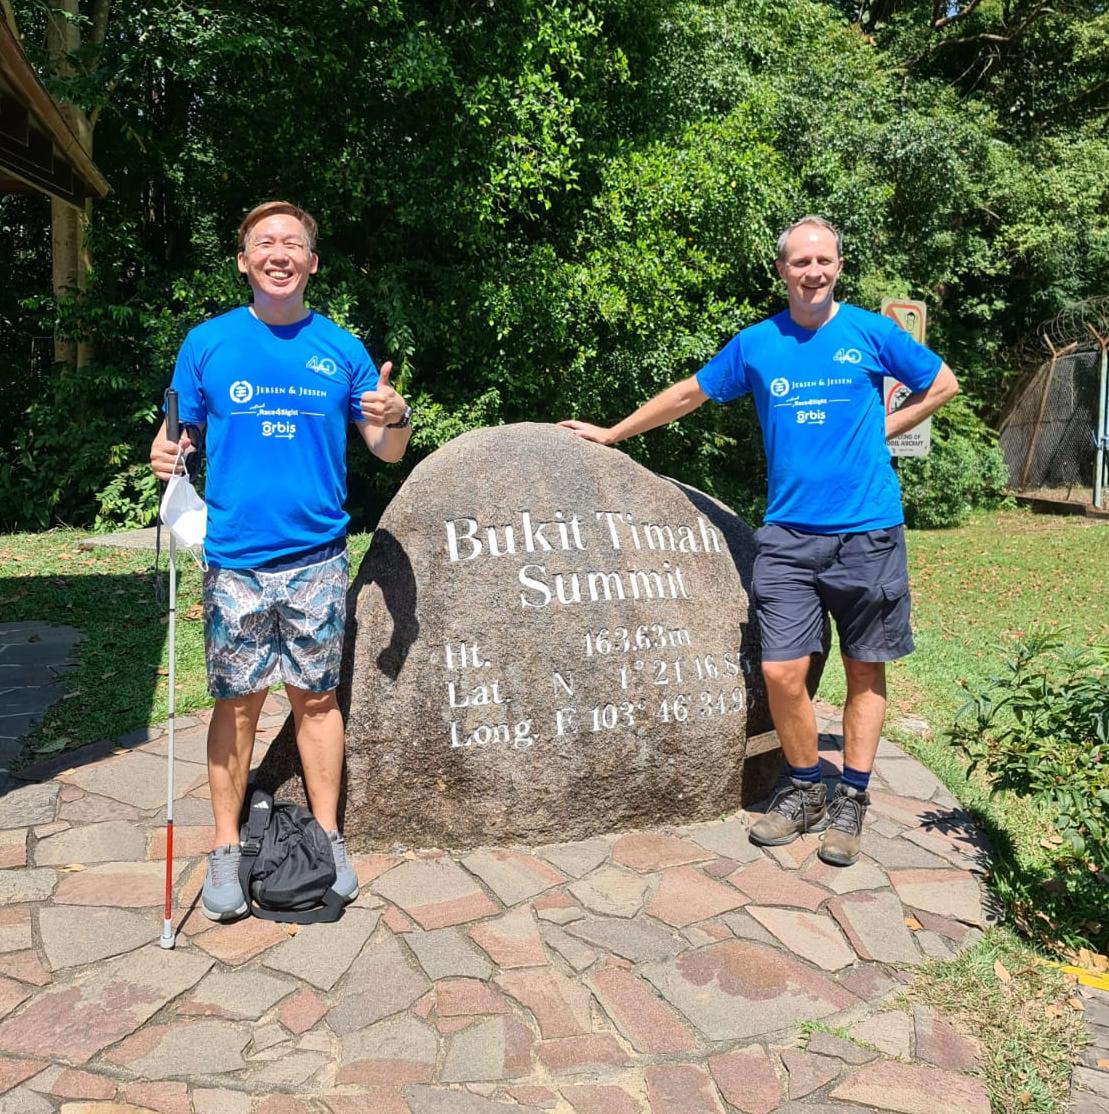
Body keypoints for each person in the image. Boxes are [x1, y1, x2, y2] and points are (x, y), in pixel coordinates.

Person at [561, 215, 958, 866]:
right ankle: (804, 786)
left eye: (823, 260)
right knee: (780, 671)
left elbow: (939, 384)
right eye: (800, 262)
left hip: (868, 532)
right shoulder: (756, 345)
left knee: (864, 666)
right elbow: (690, 393)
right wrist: (613, 433)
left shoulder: (870, 333)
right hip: (788, 534)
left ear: (837, 266)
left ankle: (851, 795)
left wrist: (881, 431)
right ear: (780, 271)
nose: (812, 272)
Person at [149, 200, 412, 919]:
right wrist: (163, 452)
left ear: (311, 263)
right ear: (243, 261)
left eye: (293, 243)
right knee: (235, 707)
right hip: (235, 559)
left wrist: (395, 418)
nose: (278, 252)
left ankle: (327, 839)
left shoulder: (341, 350)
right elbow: (177, 438)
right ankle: (227, 849)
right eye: (264, 242)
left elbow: (385, 447)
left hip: (318, 559)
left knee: (317, 701)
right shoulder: (207, 344)